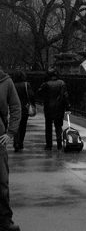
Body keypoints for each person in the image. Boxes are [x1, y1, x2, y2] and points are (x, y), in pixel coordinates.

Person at [0, 66, 21, 231]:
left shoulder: (6, 81)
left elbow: (15, 107)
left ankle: (5, 221)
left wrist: (11, 132)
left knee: (1, 182)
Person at [38, 68, 70, 150]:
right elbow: (65, 96)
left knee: (48, 127)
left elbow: (39, 93)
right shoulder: (62, 83)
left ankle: (49, 145)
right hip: (59, 108)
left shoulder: (46, 84)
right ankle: (59, 144)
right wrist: (67, 106)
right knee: (58, 127)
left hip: (48, 108)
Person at [12, 71, 36, 152]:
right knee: (23, 126)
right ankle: (21, 142)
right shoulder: (26, 85)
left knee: (16, 126)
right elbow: (31, 95)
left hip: (14, 108)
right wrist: (33, 105)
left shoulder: (12, 85)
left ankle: (16, 142)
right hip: (24, 108)